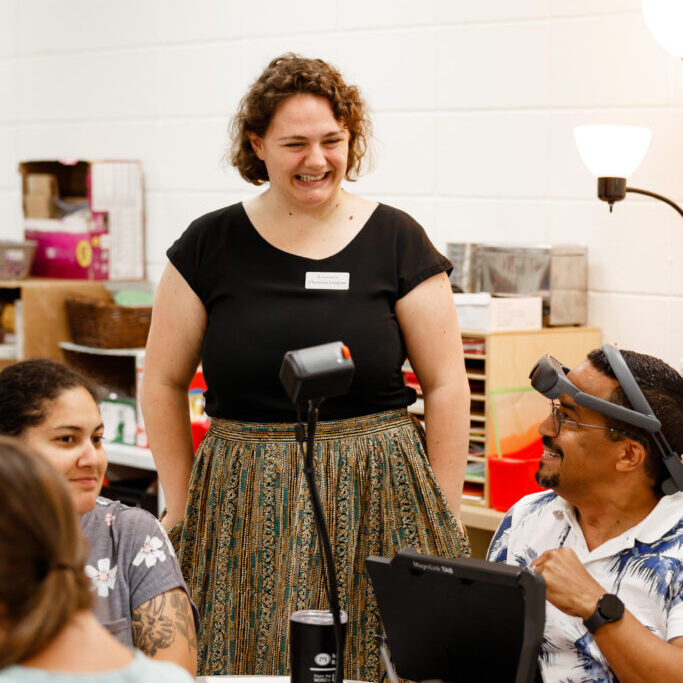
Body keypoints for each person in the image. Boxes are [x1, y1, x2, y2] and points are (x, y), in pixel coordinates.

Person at [142, 52, 471, 678]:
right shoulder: (208, 244)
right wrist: (181, 507)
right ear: (256, 144)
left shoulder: (398, 240)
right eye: (294, 143)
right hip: (243, 493)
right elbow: (161, 380)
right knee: (247, 654)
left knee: (377, 661)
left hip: (380, 489)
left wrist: (447, 514)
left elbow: (447, 384)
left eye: (332, 141)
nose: (316, 160)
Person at [487, 346, 683, 683]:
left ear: (628, 455)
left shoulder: (676, 546)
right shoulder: (526, 517)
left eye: (567, 416)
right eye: (554, 410)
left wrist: (593, 603)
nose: (545, 428)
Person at [0, 360, 198, 676]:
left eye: (96, 439)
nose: (92, 458)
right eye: (66, 439)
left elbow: (173, 676)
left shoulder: (134, 534)